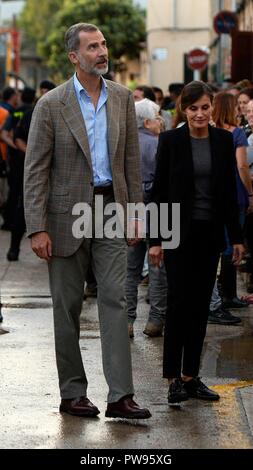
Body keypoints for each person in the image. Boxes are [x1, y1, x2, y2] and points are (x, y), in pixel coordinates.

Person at [24, 22, 151, 420]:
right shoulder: (51, 104)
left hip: (111, 208)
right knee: (67, 307)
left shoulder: (122, 99)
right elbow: (35, 171)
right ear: (74, 57)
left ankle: (121, 396)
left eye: (103, 44)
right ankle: (73, 393)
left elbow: (130, 163)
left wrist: (136, 215)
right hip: (64, 217)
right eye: (92, 47)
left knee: (116, 300)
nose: (102, 51)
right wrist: (37, 226)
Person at [149, 81, 244, 405]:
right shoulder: (171, 140)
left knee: (201, 306)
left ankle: (191, 376)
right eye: (193, 108)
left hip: (209, 235)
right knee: (178, 305)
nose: (200, 114)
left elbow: (229, 194)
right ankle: (173, 378)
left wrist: (238, 238)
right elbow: (158, 193)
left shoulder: (223, 140)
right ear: (183, 110)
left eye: (205, 107)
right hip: (177, 235)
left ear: (212, 107)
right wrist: (156, 240)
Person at [126, 98, 167, 338]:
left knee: (130, 269)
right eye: (157, 116)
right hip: (159, 210)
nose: (161, 121)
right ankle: (155, 320)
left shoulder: (126, 144)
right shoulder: (159, 144)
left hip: (130, 209)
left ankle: (127, 320)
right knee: (158, 267)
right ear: (148, 121)